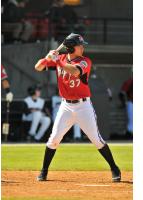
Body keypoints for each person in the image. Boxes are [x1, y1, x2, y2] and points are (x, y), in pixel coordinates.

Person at [34, 33, 121, 182]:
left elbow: (74, 71)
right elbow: (38, 67)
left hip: (83, 106)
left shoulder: (85, 61)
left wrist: (57, 62)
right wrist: (47, 57)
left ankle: (114, 168)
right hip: (66, 106)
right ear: (71, 48)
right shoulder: (60, 59)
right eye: (80, 46)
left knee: (97, 140)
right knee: (54, 139)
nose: (82, 48)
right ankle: (44, 171)